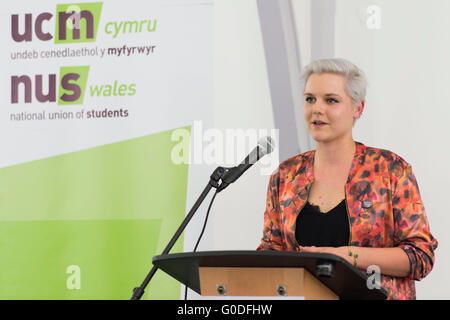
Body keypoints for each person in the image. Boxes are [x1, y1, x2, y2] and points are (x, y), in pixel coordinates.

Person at [257, 58, 438, 300]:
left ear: (358, 108)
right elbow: (271, 252)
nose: (317, 109)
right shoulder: (286, 175)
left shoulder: (391, 169)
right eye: (310, 99)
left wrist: (345, 257)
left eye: (331, 100)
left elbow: (420, 256)